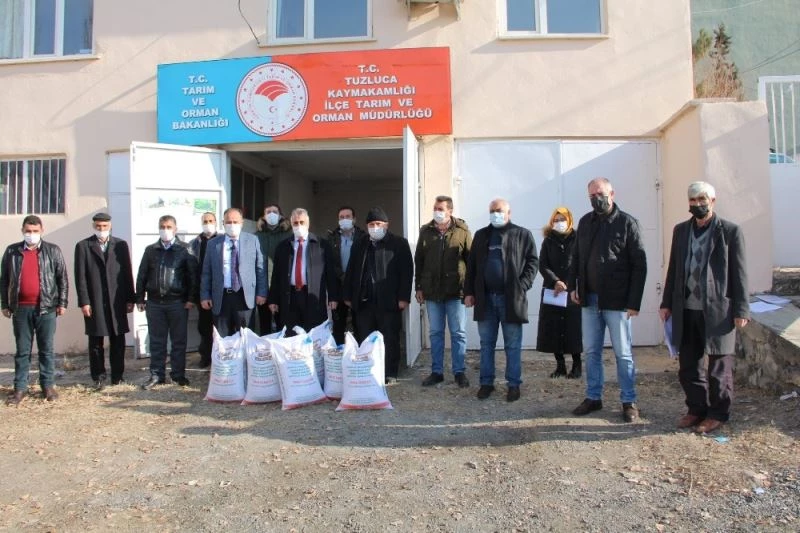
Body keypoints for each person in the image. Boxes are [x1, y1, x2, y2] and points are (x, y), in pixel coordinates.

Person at [659, 181, 749, 434]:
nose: (697, 204)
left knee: (719, 366)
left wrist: (742, 309)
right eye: (692, 200)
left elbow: (739, 273)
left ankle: (718, 413)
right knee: (689, 364)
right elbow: (674, 269)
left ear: (713, 200)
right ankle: (696, 409)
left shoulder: (730, 231)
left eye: (702, 199)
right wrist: (666, 303)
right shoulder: (681, 231)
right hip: (686, 309)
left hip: (719, 309)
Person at [568, 178, 647, 422]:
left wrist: (634, 302)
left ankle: (629, 400)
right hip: (589, 300)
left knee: (623, 353)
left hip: (617, 301)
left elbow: (639, 265)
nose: (596, 198)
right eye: (591, 195)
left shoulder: (627, 223)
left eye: (600, 193)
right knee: (591, 351)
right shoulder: (585, 222)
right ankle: (593, 397)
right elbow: (577, 258)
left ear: (612, 193)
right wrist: (573, 286)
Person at [464, 198, 538, 402]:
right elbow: (471, 267)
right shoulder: (481, 235)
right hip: (485, 299)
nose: (496, 213)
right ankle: (486, 383)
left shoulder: (521, 234)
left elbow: (533, 262)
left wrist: (522, 285)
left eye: (499, 210)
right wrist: (469, 292)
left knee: (512, 345)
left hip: (511, 300)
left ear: (509, 213)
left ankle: (513, 385)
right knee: (486, 344)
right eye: (492, 211)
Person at [1, 215, 69, 404]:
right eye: (28, 231)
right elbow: (4, 280)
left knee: (46, 349)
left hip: (46, 308)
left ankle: (47, 386)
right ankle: (20, 389)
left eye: (35, 231)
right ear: (22, 231)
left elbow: (62, 278)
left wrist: (62, 303)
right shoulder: (12, 251)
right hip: (21, 309)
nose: (31, 235)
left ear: (42, 231)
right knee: (22, 351)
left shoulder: (52, 251)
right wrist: (5, 305)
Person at [343, 207, 413, 383]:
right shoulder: (360, 243)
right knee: (365, 338)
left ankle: (390, 373)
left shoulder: (399, 244)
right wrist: (348, 296)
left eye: (379, 224)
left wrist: (404, 297)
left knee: (390, 338)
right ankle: (368, 371)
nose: (375, 227)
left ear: (386, 225)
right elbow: (351, 270)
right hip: (364, 301)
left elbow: (407, 272)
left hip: (389, 302)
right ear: (367, 226)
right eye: (372, 224)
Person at [414, 195, 472, 388]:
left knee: (458, 333)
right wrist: (419, 287)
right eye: (435, 208)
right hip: (432, 291)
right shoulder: (426, 231)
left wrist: (470, 289)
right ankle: (437, 371)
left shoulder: (462, 230)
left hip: (456, 291)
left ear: (450, 211)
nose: (437, 211)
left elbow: (471, 261)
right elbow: (419, 261)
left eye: (441, 208)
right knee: (436, 333)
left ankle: (459, 372)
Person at [74, 212, 136, 389]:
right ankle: (98, 376)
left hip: (117, 299)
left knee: (118, 339)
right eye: (98, 226)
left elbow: (127, 273)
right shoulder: (84, 246)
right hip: (95, 299)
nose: (102, 230)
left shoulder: (120, 245)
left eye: (105, 226)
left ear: (110, 226)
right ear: (94, 226)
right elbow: (81, 277)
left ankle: (118, 376)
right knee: (96, 340)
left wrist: (130, 298)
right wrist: (84, 301)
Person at [135, 215, 198, 389]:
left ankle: (178, 375)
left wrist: (191, 299)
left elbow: (193, 276)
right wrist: (139, 297)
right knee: (156, 341)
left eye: (169, 226)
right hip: (155, 303)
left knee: (179, 341)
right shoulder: (150, 250)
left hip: (177, 302)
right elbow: (142, 275)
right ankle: (156, 375)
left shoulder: (185, 250)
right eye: (162, 226)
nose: (165, 229)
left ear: (175, 229)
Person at [269, 208, 339, 332]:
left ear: (308, 223)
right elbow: (276, 275)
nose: (299, 226)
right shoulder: (282, 246)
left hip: (313, 297)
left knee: (313, 334)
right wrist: (273, 299)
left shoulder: (321, 245)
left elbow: (330, 273)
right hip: (290, 297)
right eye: (295, 223)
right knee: (291, 335)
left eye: (302, 222)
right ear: (291, 224)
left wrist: (333, 296)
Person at [201, 207, 267, 337]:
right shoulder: (213, 244)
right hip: (221, 297)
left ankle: (245, 358)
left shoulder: (252, 240)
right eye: (228, 222)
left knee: (246, 338)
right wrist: (205, 295)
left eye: (235, 222)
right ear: (223, 223)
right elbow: (206, 272)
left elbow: (260, 268)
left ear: (242, 223)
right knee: (223, 339)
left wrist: (261, 292)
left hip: (244, 297)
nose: (232, 225)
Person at [537, 207, 582, 379]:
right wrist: (555, 281)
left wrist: (570, 283)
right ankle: (560, 365)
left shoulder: (577, 239)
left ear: (569, 220)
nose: (559, 223)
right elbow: (543, 265)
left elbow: (580, 262)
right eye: (556, 220)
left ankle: (577, 366)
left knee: (573, 328)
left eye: (562, 219)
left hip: (573, 290)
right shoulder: (548, 241)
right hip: (553, 290)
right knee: (553, 328)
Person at [326, 206, 365, 345]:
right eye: (341, 217)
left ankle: (359, 357)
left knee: (359, 325)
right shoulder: (331, 238)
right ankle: (338, 358)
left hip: (357, 287)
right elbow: (330, 264)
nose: (344, 219)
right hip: (338, 287)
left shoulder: (363, 237)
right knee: (338, 326)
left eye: (348, 216)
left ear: (354, 219)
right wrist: (343, 277)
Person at [256, 204, 292, 334]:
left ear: (281, 215)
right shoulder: (257, 236)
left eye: (275, 211)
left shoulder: (289, 235)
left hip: (283, 287)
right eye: (268, 212)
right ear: (264, 216)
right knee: (264, 326)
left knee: (283, 326)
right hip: (263, 287)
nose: (271, 214)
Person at [189, 212, 219, 368]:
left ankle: (219, 356)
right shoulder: (195, 243)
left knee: (220, 326)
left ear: (216, 222)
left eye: (211, 221)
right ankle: (205, 356)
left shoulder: (221, 240)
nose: (208, 224)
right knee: (204, 326)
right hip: (202, 292)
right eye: (205, 221)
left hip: (219, 292)